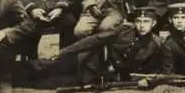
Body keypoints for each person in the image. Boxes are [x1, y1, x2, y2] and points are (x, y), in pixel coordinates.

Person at [31, 6, 163, 85]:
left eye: (146, 22)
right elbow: (95, 40)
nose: (141, 25)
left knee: (48, 84)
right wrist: (64, 51)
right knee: (46, 65)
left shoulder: (156, 44)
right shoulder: (124, 30)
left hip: (97, 78)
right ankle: (15, 72)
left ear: (154, 23)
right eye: (138, 21)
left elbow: (152, 72)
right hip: (87, 60)